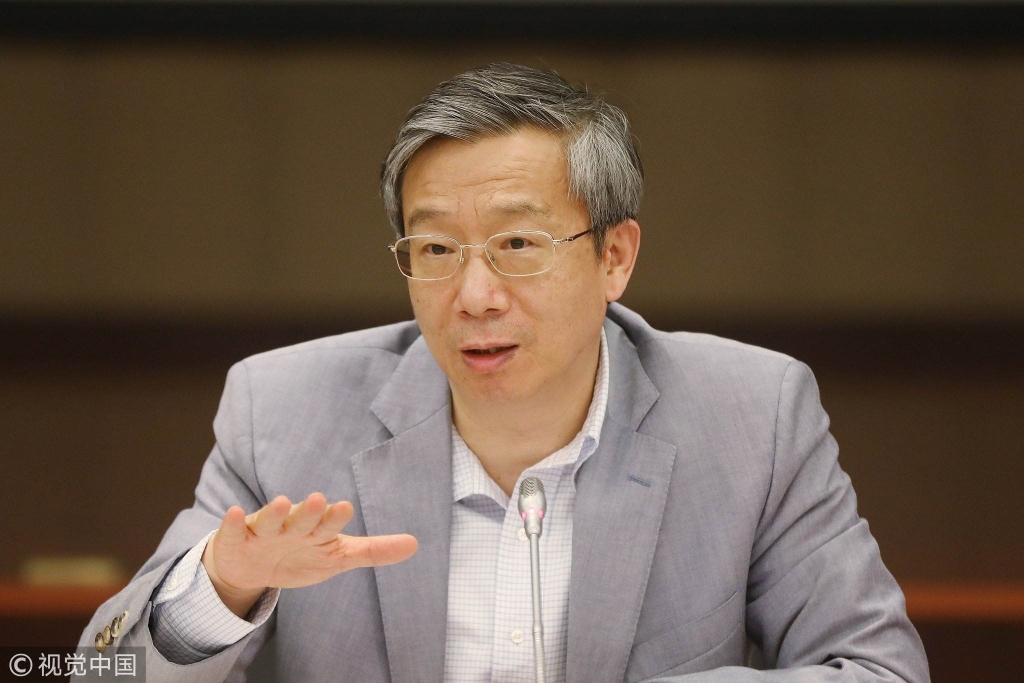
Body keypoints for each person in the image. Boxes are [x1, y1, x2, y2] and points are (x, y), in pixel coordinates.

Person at [77, 63, 930, 683]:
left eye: (518, 244)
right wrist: (222, 586)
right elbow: (101, 671)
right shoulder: (284, 410)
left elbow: (878, 669)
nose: (474, 295)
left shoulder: (752, 415)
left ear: (615, 256)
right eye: (435, 249)